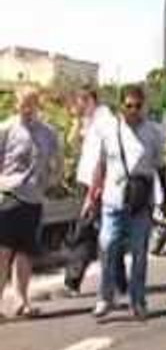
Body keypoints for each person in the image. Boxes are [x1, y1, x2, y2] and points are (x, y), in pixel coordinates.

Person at [85, 84, 166, 321]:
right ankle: (106, 297)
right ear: (121, 106)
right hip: (112, 200)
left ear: (144, 106)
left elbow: (161, 167)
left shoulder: (153, 132)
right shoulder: (109, 130)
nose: (133, 110)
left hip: (140, 202)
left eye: (138, 106)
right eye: (129, 105)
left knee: (139, 253)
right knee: (108, 246)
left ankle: (138, 300)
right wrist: (91, 196)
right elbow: (100, 165)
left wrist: (165, 200)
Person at [0, 85, 62, 318]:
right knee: (3, 252)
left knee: (25, 252)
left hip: (33, 199)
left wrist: (51, 180)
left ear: (38, 105)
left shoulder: (47, 132)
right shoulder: (6, 129)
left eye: (31, 104)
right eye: (23, 104)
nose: (27, 109)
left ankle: (21, 301)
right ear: (16, 104)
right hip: (9, 196)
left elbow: (57, 160)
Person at [64, 85, 127, 297]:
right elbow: (73, 143)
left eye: (78, 103)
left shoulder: (106, 122)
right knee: (89, 233)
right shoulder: (90, 122)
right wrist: (78, 124)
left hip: (99, 184)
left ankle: (115, 281)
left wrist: (96, 190)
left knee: (98, 232)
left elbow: (107, 157)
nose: (74, 107)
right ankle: (113, 282)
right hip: (87, 183)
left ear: (88, 100)